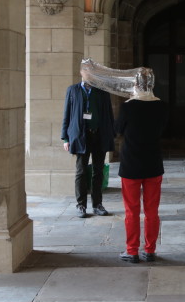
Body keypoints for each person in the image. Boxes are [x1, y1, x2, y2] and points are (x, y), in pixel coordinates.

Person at [115, 68, 168, 263]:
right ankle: (150, 249)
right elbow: (162, 128)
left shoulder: (128, 107)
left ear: (135, 85)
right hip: (153, 162)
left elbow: (118, 129)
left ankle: (132, 251)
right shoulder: (162, 106)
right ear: (152, 85)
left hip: (131, 165)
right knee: (152, 210)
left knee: (132, 210)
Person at [61, 65, 115, 218]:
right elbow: (67, 115)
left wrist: (111, 134)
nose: (88, 74)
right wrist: (65, 138)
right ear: (81, 73)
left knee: (98, 172)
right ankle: (81, 205)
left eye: (91, 71)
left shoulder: (102, 92)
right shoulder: (73, 90)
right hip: (80, 136)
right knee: (81, 171)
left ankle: (97, 204)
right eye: (86, 71)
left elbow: (109, 115)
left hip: (99, 135)